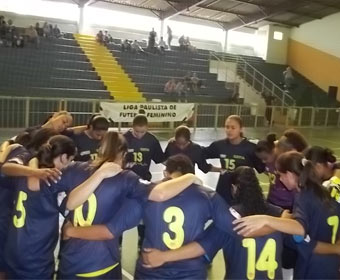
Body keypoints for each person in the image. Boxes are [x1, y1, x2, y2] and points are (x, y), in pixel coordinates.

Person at [63, 154, 235, 280]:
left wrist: (71, 231)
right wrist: (203, 246)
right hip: (191, 272)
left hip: (151, 271)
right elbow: (233, 228)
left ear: (167, 173)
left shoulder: (147, 195)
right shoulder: (209, 195)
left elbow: (110, 230)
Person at [57, 134, 204, 279]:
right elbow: (159, 194)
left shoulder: (74, 168)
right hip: (101, 262)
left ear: (100, 148)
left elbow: (59, 197)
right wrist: (190, 177)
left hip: (69, 260)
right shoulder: (125, 178)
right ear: (124, 153)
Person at [142, 166, 288, 280]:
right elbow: (300, 235)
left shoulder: (228, 216)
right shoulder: (281, 216)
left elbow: (201, 247)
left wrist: (163, 256)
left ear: (234, 188)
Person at [233, 151, 340, 279]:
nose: (280, 179)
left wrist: (266, 220)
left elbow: (300, 228)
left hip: (313, 267)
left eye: (281, 175)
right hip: (332, 265)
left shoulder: (304, 196)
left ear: (289, 174)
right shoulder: (322, 192)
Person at [4, 135, 76, 279]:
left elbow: (6, 169)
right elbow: (69, 205)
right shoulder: (55, 181)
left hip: (14, 247)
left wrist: (33, 162)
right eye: (71, 159)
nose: (71, 164)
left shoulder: (24, 170)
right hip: (36, 253)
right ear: (63, 157)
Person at [204, 115, 265, 204]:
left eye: (233, 128)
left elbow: (262, 168)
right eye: (227, 127)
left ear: (241, 129)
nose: (229, 130)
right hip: (224, 189)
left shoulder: (250, 148)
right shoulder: (219, 145)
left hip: (244, 191)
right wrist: (213, 169)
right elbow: (201, 154)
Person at [124, 115, 165, 181]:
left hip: (144, 179)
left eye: (143, 132)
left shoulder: (151, 140)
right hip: (125, 179)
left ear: (147, 128)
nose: (139, 135)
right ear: (133, 127)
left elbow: (160, 159)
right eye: (137, 131)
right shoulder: (123, 139)